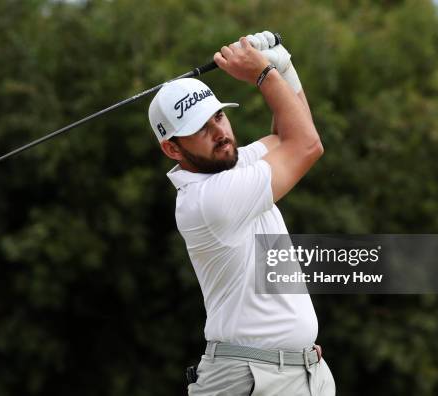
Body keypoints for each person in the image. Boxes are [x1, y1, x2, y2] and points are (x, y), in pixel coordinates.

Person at [148, 31, 335, 395]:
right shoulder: (209, 199)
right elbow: (307, 146)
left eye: (218, 117)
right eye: (199, 129)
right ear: (172, 148)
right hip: (253, 378)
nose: (218, 132)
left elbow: (289, 135)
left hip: (297, 373)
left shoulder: (230, 169)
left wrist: (283, 67)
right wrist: (263, 75)